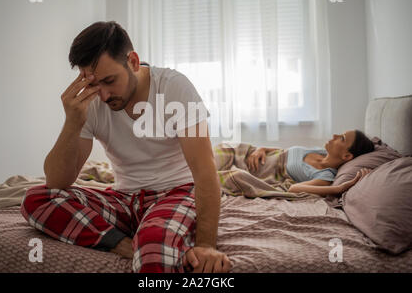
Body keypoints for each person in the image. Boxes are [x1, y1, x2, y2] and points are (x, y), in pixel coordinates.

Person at [20, 21, 231, 273]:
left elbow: (206, 172)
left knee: (153, 249)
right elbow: (57, 181)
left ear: (132, 61)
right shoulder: (93, 103)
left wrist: (206, 245)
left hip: (176, 192)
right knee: (36, 199)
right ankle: (125, 244)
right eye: (94, 84)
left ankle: (151, 240)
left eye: (110, 80)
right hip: (124, 200)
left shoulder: (175, 87)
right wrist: (72, 122)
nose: (104, 95)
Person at [245, 130, 374, 196]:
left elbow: (293, 189)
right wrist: (262, 149)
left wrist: (340, 188)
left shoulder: (325, 176)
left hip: (253, 170)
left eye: (342, 138)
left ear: (347, 156)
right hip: (250, 154)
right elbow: (284, 151)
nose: (334, 135)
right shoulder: (321, 151)